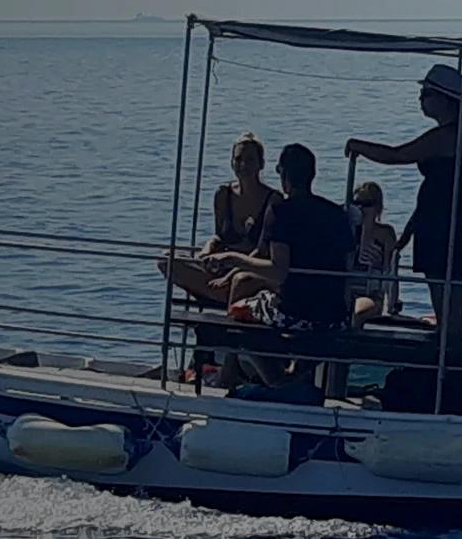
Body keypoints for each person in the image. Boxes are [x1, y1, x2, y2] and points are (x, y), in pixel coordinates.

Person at [344, 64, 462, 340]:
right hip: (446, 221)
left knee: (446, 300)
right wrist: (409, 232)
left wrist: (359, 146)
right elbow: (439, 190)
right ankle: (450, 355)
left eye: (426, 94)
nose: (421, 99)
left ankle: (448, 360)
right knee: (452, 299)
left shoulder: (448, 136)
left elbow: (399, 154)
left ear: (444, 98)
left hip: (446, 227)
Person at [202, 144, 353, 389]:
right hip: (334, 316)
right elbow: (347, 266)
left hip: (295, 313)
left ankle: (276, 382)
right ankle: (295, 375)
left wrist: (232, 259)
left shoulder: (281, 211)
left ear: (283, 175)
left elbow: (278, 270)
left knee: (239, 313)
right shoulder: (336, 213)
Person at [163, 132, 279, 304]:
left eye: (250, 159)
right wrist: (207, 250)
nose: (243, 164)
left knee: (242, 280)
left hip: (251, 272)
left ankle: (221, 294)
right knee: (167, 260)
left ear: (261, 164)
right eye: (238, 159)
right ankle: (222, 295)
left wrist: (231, 275)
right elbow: (219, 236)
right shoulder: (223, 194)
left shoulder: (273, 199)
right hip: (223, 266)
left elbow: (263, 250)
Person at [347, 181, 400, 327]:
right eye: (356, 203)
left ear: (377, 206)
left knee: (355, 312)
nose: (361, 208)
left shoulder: (385, 234)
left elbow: (391, 272)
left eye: (366, 203)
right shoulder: (347, 230)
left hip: (370, 295)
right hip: (345, 290)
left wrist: (392, 305)